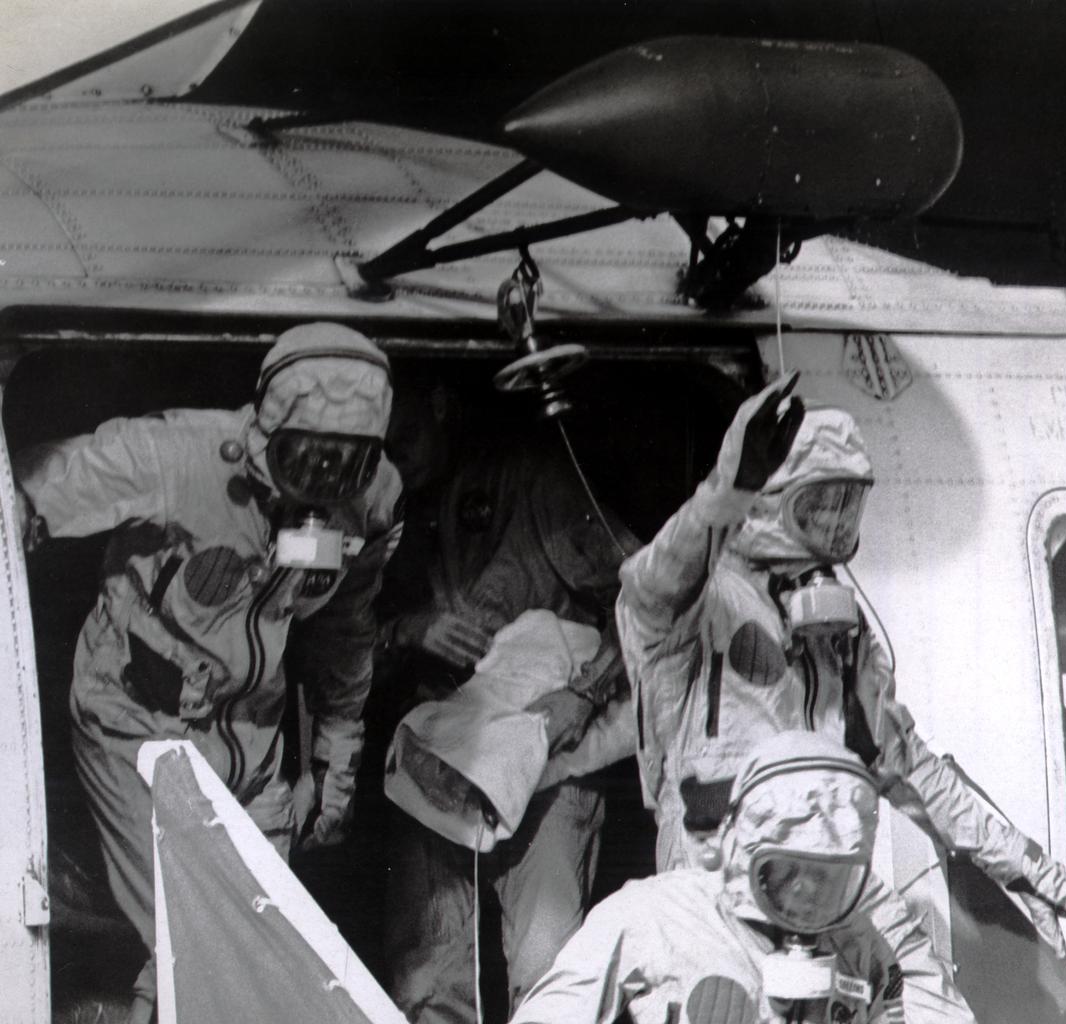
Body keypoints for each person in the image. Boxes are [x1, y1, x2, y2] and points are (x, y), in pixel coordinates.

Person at [616, 371, 1066, 963]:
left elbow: (907, 765)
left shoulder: (843, 637)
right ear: (772, 500)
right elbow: (653, 585)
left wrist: (1023, 864)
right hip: (714, 902)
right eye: (819, 504)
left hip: (821, 898)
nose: (834, 523)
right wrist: (726, 493)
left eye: (846, 505)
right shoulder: (699, 608)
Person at [14, 322, 403, 1024]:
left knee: (262, 941)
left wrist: (335, 767)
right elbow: (26, 496)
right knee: (196, 936)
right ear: (265, 432)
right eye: (306, 457)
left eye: (344, 466)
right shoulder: (175, 457)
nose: (320, 484)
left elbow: (347, 633)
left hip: (254, 749)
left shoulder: (371, 503)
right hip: (137, 730)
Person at [376, 388, 639, 1024]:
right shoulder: (383, 511)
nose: (393, 458)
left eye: (404, 435)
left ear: (439, 407)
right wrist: (407, 630)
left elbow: (647, 594)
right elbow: (337, 645)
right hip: (442, 766)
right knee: (426, 978)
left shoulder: (530, 480)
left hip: (549, 759)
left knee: (551, 977)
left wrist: (585, 691)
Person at [512, 730, 972, 1024]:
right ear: (740, 853)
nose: (808, 892)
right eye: (788, 869)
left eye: (828, 875)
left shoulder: (873, 932)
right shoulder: (651, 918)